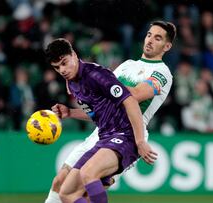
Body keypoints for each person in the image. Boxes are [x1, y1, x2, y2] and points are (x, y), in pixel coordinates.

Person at [45, 20, 176, 203]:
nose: (150, 40)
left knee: (88, 188)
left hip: (128, 131)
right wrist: (71, 111)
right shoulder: (127, 65)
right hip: (102, 131)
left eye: (158, 38)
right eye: (148, 35)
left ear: (167, 46)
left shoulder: (162, 73)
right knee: (63, 186)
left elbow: (134, 95)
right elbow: (102, 105)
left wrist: (93, 81)